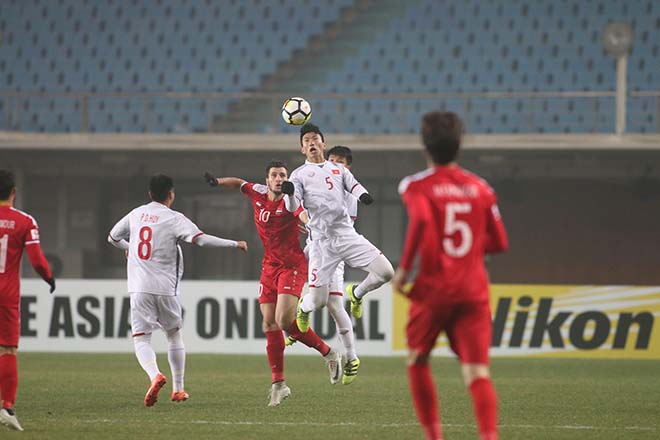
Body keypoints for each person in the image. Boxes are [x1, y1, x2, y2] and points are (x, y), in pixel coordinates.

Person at [393, 112, 509, 440]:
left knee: (417, 359)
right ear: (460, 145)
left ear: (424, 145)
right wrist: (468, 250)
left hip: (434, 289)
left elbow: (421, 223)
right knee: (477, 373)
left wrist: (404, 269)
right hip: (473, 290)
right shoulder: (481, 188)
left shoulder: (416, 186)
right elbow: (500, 242)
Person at [203, 161, 343, 407]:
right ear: (266, 180)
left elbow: (301, 212)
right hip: (269, 266)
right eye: (275, 175)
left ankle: (329, 353)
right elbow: (238, 183)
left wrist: (310, 223)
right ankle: (279, 384)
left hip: (292, 265)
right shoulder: (256, 192)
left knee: (283, 321)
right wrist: (217, 182)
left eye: (283, 175)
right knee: (269, 323)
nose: (279, 179)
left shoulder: (290, 199)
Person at [108, 174, 248, 407]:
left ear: (150, 194)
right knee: (173, 335)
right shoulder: (174, 218)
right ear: (171, 195)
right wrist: (234, 243)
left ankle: (154, 375)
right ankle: (178, 389)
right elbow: (201, 240)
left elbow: (113, 238)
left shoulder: (135, 214)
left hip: (139, 289)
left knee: (141, 339)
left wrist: (130, 247)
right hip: (165, 289)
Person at [282, 123, 394, 338]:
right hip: (321, 242)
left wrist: (364, 195)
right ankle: (303, 309)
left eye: (315, 139)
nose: (311, 143)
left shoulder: (338, 169)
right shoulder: (299, 174)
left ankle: (357, 293)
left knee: (386, 272)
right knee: (319, 301)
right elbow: (293, 206)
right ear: (302, 150)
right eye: (306, 141)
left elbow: (354, 185)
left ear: (323, 144)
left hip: (346, 235)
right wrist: (288, 195)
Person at [286, 145, 361, 385]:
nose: (333, 165)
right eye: (331, 161)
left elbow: (336, 224)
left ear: (347, 167)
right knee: (294, 276)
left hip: (335, 251)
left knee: (336, 306)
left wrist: (311, 221)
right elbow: (301, 207)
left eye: (339, 162)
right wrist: (306, 219)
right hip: (316, 248)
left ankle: (351, 357)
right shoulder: (314, 180)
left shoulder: (348, 194)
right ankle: (296, 322)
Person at [0, 170, 55, 432]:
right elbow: (37, 261)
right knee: (8, 349)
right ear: (13, 192)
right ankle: (7, 407)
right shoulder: (25, 221)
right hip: (6, 295)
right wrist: (49, 278)